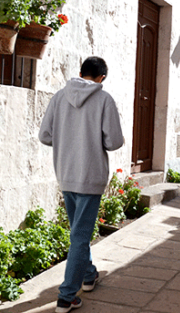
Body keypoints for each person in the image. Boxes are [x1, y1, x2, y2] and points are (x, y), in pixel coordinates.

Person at [39, 56, 124, 313]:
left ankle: (88, 276)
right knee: (80, 235)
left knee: (78, 232)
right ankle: (66, 296)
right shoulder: (104, 99)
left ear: (80, 73)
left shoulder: (59, 97)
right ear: (101, 78)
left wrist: (68, 140)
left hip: (66, 173)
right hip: (90, 175)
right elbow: (114, 142)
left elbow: (45, 135)